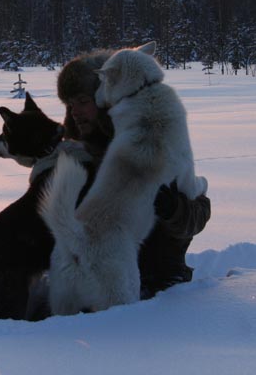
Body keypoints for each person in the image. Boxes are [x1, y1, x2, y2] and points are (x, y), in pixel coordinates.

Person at [56, 49, 211, 299]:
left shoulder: (155, 134)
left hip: (158, 274)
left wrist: (174, 210)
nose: (75, 111)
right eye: (70, 105)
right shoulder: (73, 155)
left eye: (83, 102)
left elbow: (200, 210)